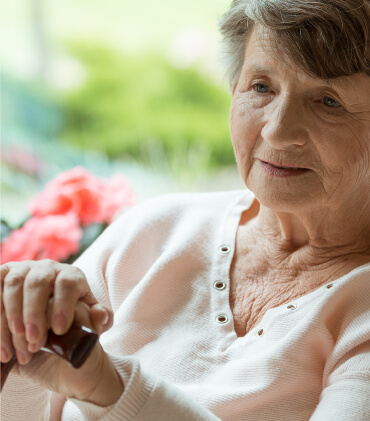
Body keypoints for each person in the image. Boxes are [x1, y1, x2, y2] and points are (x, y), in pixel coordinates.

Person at [1, 0, 370, 420]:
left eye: (327, 101)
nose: (278, 130)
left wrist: (110, 390)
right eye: (261, 86)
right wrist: (17, 342)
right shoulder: (155, 230)